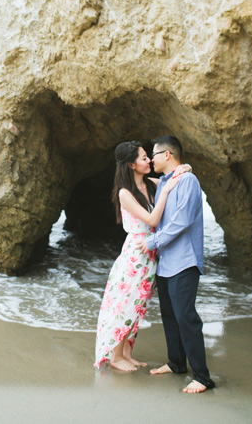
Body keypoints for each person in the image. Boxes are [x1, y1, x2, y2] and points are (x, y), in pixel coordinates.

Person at [94, 140, 190, 372]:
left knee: (139, 305)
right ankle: (115, 356)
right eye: (144, 157)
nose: (149, 160)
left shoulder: (152, 184)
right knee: (125, 303)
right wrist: (165, 190)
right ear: (131, 165)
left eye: (148, 156)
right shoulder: (126, 193)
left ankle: (127, 352)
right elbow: (152, 220)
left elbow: (173, 177)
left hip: (151, 253)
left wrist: (183, 168)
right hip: (136, 255)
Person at [134, 135, 215, 393]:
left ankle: (202, 377)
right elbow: (135, 179)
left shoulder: (188, 181)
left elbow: (182, 220)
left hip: (184, 262)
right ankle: (177, 363)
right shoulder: (166, 182)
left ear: (167, 155)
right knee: (170, 316)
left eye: (154, 155)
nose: (151, 159)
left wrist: (153, 241)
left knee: (186, 316)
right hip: (167, 263)